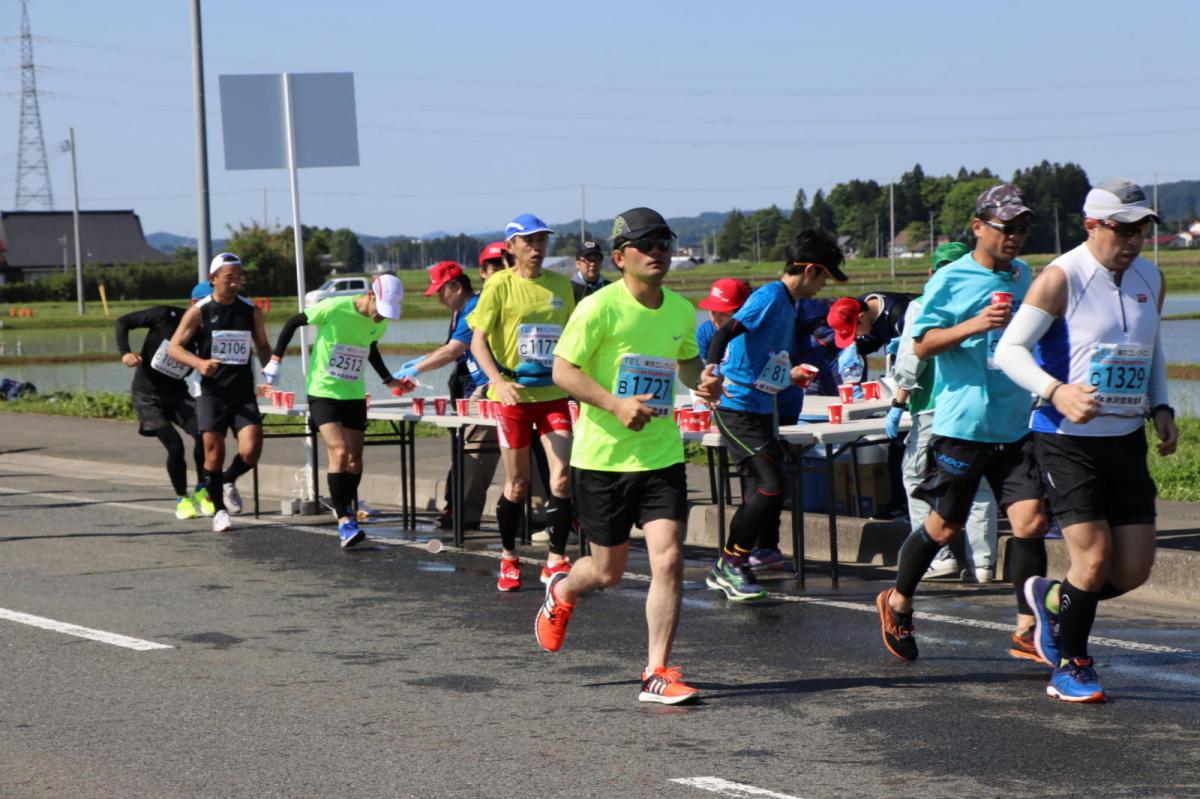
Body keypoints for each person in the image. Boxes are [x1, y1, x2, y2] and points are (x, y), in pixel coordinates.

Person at [995, 177, 1177, 703]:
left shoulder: (1151, 277)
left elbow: (1152, 348)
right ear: (1092, 225)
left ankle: (1053, 601)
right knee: (1092, 559)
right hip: (1065, 439)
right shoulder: (1060, 278)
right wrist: (1056, 392)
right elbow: (1009, 351)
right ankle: (1072, 665)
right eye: (1122, 229)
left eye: (1142, 229)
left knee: (1134, 568)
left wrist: (1161, 405)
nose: (1133, 240)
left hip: (1124, 438)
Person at [535, 206, 721, 704]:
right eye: (648, 244)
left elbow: (685, 363)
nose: (660, 252)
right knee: (608, 572)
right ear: (620, 257)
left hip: (660, 455)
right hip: (602, 460)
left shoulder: (681, 311)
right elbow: (562, 372)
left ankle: (656, 671)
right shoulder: (598, 308)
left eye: (665, 242)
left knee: (671, 558)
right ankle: (563, 592)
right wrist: (615, 404)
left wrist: (702, 379)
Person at [876, 184, 1049, 663]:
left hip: (1015, 422)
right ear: (978, 227)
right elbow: (922, 343)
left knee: (1030, 522)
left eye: (1022, 228)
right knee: (946, 525)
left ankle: (1026, 629)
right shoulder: (952, 279)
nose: (1015, 236)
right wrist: (976, 324)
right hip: (962, 425)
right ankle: (898, 602)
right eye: (1005, 227)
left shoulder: (1025, 275)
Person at [705, 229, 848, 600]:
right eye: (824, 278)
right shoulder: (770, 296)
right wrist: (710, 369)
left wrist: (790, 375)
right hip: (736, 408)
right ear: (811, 270)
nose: (822, 288)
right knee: (771, 486)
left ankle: (734, 565)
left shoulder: (790, 304)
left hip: (760, 409)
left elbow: (765, 361)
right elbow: (728, 331)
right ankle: (729, 564)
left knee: (762, 491)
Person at [468, 213, 576, 591]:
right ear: (511, 246)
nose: (537, 248)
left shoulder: (562, 285)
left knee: (561, 477)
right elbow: (477, 342)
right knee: (517, 484)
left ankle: (555, 560)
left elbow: (576, 339)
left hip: (552, 395)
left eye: (542, 240)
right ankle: (510, 556)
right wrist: (497, 380)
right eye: (529, 241)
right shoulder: (499, 285)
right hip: (512, 396)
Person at [263, 274, 406, 548]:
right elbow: (294, 321)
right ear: (371, 296)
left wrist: (388, 380)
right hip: (323, 391)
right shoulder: (335, 307)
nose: (381, 318)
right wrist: (275, 360)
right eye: (380, 310)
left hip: (352, 393)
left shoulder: (381, 321)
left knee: (355, 460)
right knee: (339, 451)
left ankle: (346, 507)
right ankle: (343, 519)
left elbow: (370, 348)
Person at [889, 242, 999, 584]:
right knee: (979, 484)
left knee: (917, 478)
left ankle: (940, 556)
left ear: (933, 272)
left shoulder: (922, 304)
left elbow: (912, 361)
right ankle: (984, 564)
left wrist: (898, 399)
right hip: (980, 406)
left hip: (934, 407)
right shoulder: (987, 303)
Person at [168, 252, 272, 533]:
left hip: (242, 391)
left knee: (251, 451)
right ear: (213, 279)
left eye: (239, 277)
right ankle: (220, 511)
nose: (235, 283)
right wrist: (199, 363)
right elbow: (174, 347)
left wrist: (270, 368)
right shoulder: (199, 311)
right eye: (229, 278)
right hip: (211, 393)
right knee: (213, 455)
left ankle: (227, 480)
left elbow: (262, 345)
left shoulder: (250, 310)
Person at [393, 260, 498, 530]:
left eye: (441, 291)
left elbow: (453, 351)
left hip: (489, 387)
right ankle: (462, 511)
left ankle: (464, 513)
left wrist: (415, 368)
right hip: (480, 386)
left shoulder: (474, 308)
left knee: (476, 450)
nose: (439, 298)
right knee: (472, 448)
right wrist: (420, 362)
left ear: (457, 286)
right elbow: (449, 349)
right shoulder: (462, 311)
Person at [115, 281, 213, 520]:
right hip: (147, 396)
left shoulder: (208, 335)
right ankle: (183, 499)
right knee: (175, 446)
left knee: (205, 435)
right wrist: (125, 352)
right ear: (195, 304)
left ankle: (202, 489)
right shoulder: (164, 315)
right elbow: (123, 322)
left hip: (178, 394)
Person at [696, 278, 752, 364]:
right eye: (713, 312)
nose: (716, 319)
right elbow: (700, 368)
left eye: (723, 314)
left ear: (741, 312)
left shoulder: (753, 331)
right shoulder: (705, 331)